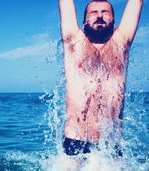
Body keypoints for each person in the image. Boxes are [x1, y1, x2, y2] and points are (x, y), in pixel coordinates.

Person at [59, 0, 143, 156]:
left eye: (105, 12)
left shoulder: (121, 43)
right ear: (84, 20)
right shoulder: (73, 43)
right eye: (93, 12)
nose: (99, 16)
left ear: (113, 20)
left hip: (111, 146)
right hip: (75, 142)